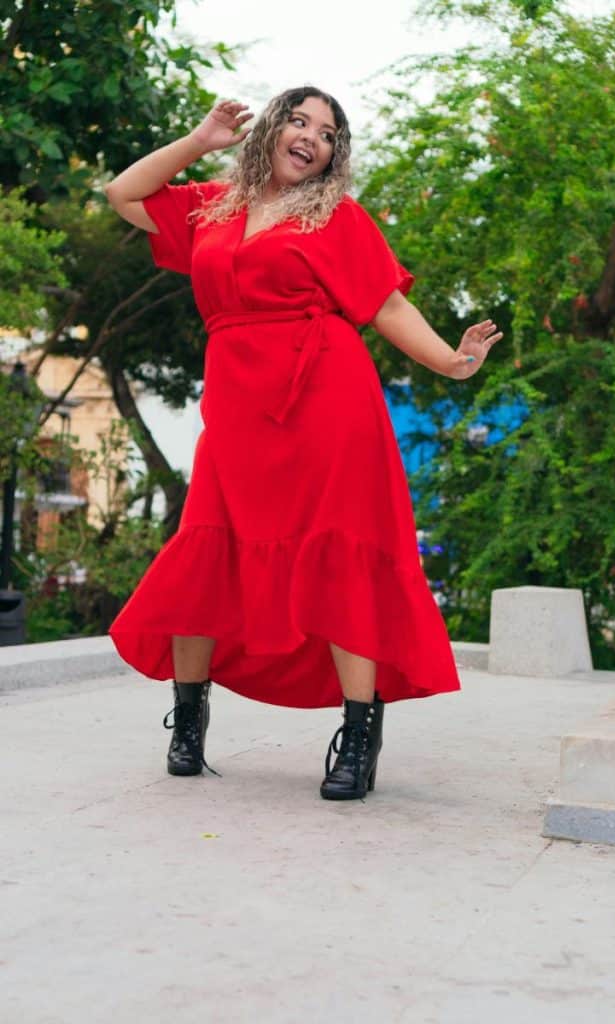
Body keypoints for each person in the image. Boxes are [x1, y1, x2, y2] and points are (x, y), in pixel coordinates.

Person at [106, 86, 502, 801]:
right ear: (270, 131)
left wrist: (449, 360)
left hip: (326, 394)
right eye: (298, 120)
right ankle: (188, 724)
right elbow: (123, 193)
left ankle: (358, 736)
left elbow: (384, 302)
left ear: (332, 156)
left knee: (338, 547)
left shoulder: (335, 216)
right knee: (208, 545)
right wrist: (199, 139)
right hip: (236, 403)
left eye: (325, 133)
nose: (310, 137)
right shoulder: (213, 206)